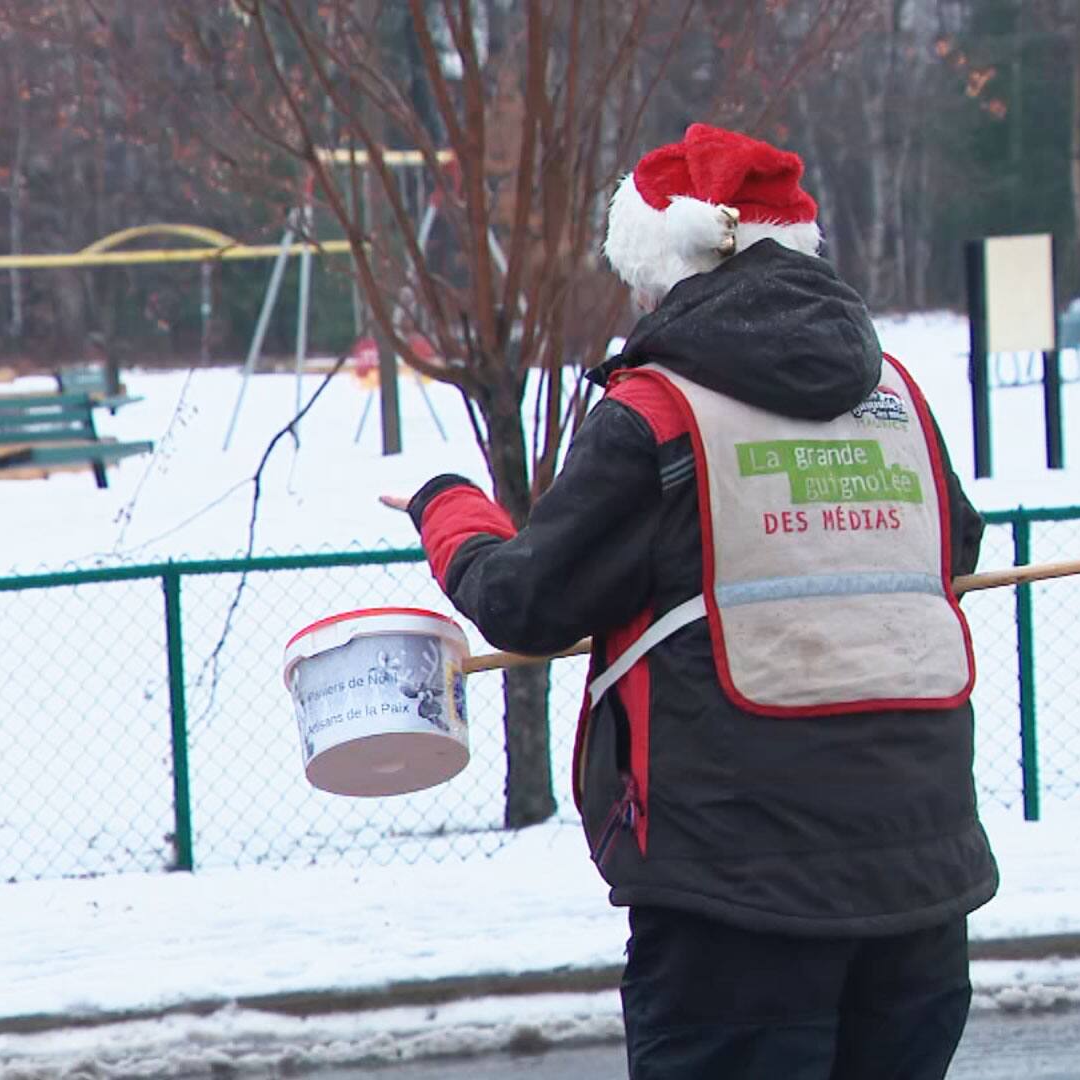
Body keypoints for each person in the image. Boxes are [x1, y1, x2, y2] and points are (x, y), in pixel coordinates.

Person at [393, 123, 995, 1078]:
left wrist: (450, 510)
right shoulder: (898, 399)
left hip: (735, 898)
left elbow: (526, 600)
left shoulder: (654, 413)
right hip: (922, 885)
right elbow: (951, 546)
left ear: (660, 267)